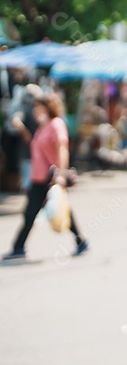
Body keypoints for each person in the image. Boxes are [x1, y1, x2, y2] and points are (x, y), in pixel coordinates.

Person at [3, 94, 88, 261]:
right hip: (38, 177)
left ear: (47, 107)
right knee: (33, 213)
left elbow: (62, 149)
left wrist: (61, 175)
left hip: (50, 178)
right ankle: (19, 247)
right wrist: (21, 129)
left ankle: (19, 247)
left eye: (38, 107)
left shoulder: (56, 125)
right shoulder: (42, 126)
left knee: (57, 209)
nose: (34, 110)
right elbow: (33, 144)